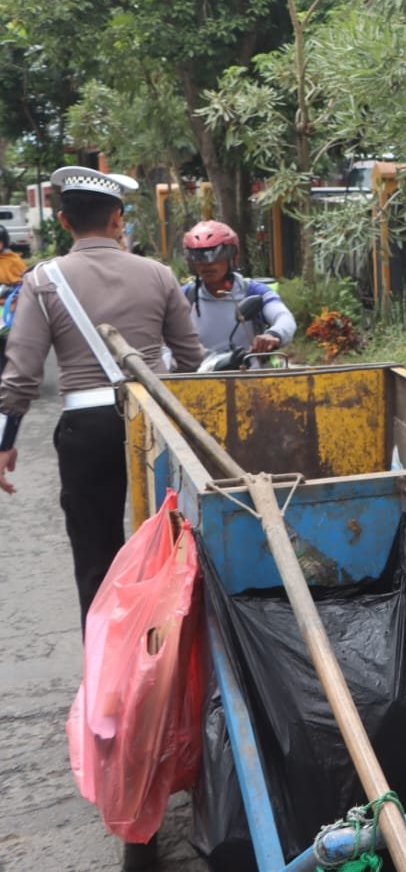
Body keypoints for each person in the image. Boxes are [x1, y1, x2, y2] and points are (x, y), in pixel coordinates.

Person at [0, 166, 204, 872]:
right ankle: (167, 679)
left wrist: (4, 447)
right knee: (166, 572)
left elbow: (21, 373)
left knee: (101, 577)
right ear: (118, 219)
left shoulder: (43, 281)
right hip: (154, 433)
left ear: (63, 222)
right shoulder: (157, 275)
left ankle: (115, 706)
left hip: (85, 437)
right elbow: (191, 360)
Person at [180, 220, 295, 356]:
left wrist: (273, 335)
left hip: (249, 373)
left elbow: (284, 317)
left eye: (217, 255)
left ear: (231, 257)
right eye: (199, 257)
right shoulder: (184, 296)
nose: (208, 264)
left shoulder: (254, 291)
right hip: (201, 374)